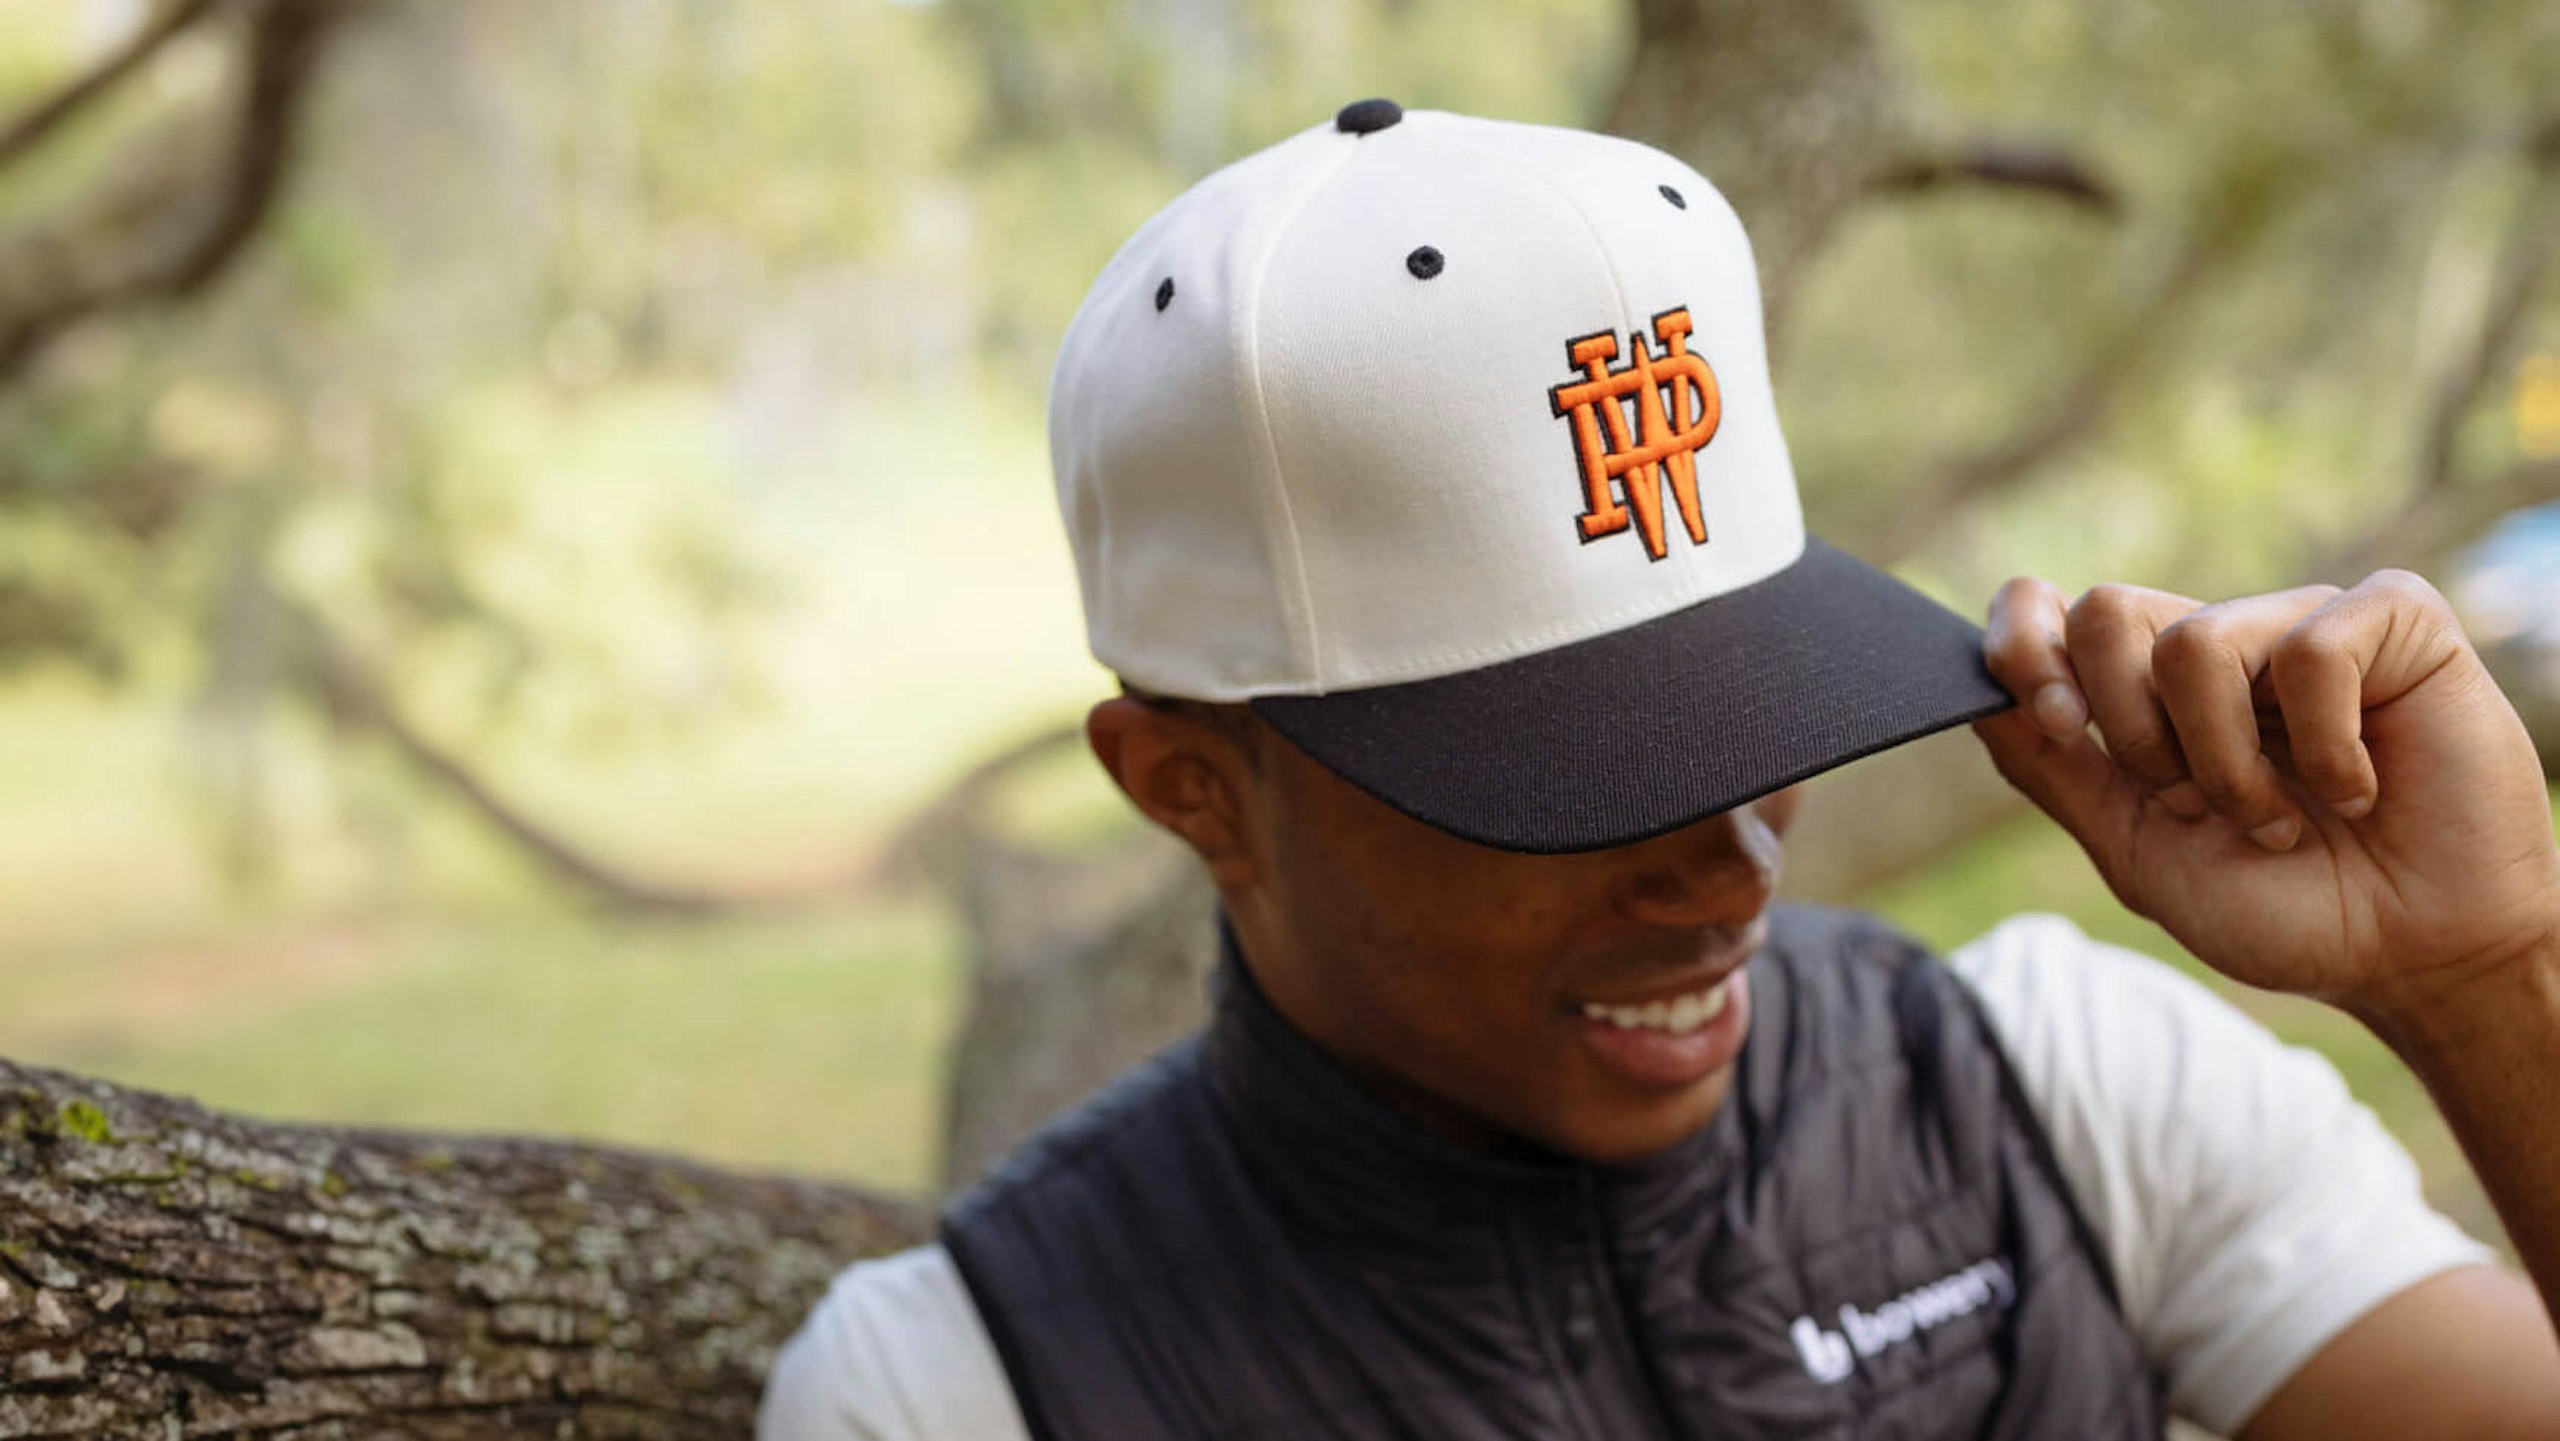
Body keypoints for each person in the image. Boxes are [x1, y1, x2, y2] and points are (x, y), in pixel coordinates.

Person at [760, 102, 2560, 1439]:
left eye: (1758, 725)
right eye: (1585, 779)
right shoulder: (963, 1387)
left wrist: (2483, 984)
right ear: (1186, 785)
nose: (1730, 867)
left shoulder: (2059, 1088)